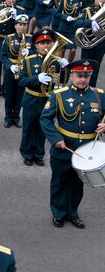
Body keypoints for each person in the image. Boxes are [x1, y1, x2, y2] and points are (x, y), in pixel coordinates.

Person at [40, 59, 105, 228]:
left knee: (77, 184)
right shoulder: (59, 94)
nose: (83, 79)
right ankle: (59, 213)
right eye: (79, 75)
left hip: (86, 151)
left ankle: (73, 212)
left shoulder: (99, 94)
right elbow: (45, 119)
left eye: (86, 75)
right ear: (71, 75)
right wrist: (56, 139)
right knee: (59, 182)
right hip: (63, 147)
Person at [19, 29, 68, 167]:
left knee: (43, 128)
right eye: (42, 43)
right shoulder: (28, 60)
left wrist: (66, 68)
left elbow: (63, 81)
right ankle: (27, 153)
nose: (45, 46)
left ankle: (39, 154)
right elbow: (22, 81)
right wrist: (37, 78)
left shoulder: (56, 62)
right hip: (31, 98)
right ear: (36, 45)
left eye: (48, 42)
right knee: (28, 127)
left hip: (48, 100)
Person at [0, 14, 31, 128]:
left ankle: (16, 117)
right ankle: (8, 117)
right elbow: (2, 56)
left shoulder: (30, 38)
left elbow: (36, 55)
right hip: (11, 70)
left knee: (20, 95)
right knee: (9, 95)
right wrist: (10, 66)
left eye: (25, 25)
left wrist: (30, 53)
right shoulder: (8, 38)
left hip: (23, 71)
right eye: (20, 24)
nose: (22, 27)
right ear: (15, 26)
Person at [74, 0, 105, 87]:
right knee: (85, 66)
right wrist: (89, 23)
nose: (102, 0)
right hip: (88, 44)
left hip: (101, 44)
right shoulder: (87, 10)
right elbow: (77, 23)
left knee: (96, 67)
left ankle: (92, 88)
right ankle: (81, 86)